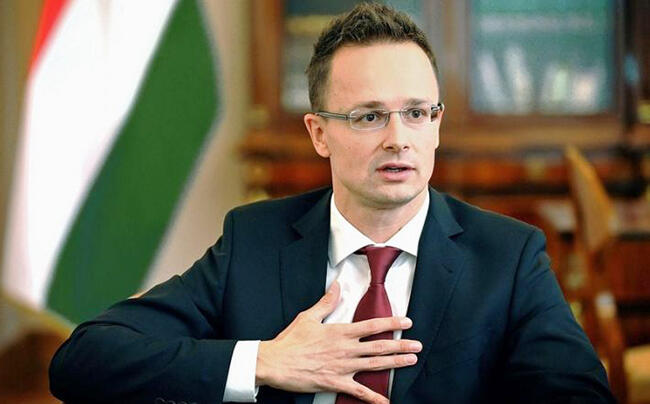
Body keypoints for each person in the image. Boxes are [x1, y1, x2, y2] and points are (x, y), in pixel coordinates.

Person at [49, 3, 614, 404]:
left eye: (417, 113)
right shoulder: (254, 241)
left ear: (437, 124)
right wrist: (264, 361)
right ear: (319, 134)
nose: (399, 139)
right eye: (369, 116)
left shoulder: (508, 256)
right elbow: (85, 360)